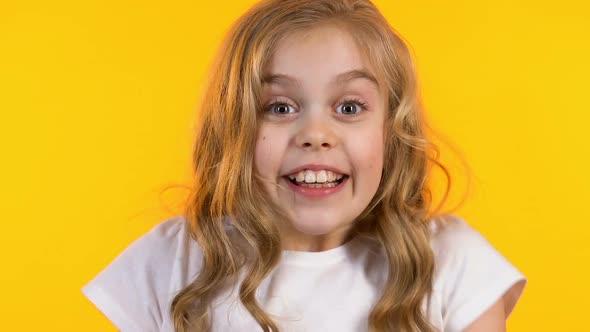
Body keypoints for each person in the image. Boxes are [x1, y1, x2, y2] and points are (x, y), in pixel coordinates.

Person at [81, 0, 526, 331]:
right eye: (279, 107)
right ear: (236, 125)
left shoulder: (452, 265)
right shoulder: (171, 260)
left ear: (391, 129)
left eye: (349, 108)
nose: (316, 134)